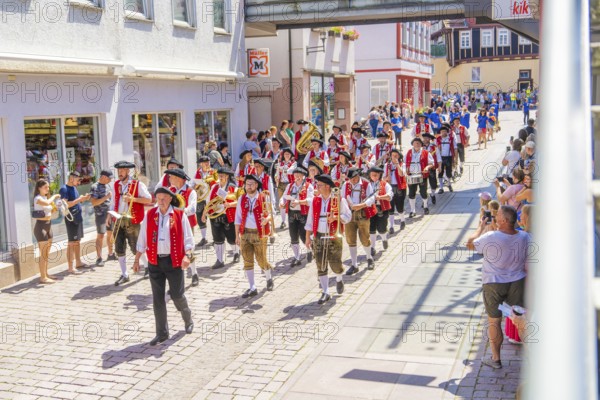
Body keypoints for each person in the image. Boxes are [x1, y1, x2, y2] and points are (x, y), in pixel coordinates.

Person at [466, 206, 530, 369]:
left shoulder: (490, 236)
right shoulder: (525, 236)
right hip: (517, 281)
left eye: (498, 214)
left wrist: (481, 227)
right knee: (521, 320)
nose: (495, 216)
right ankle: (531, 358)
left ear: (503, 220)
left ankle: (495, 359)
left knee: (494, 321)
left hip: (493, 283)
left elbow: (470, 244)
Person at [133, 187, 194, 346]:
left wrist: (187, 256)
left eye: (164, 198)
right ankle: (162, 333)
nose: (160, 201)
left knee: (177, 295)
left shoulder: (180, 215)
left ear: (170, 199)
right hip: (155, 261)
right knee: (157, 299)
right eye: (158, 198)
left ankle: (187, 316)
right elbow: (142, 237)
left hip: (174, 261)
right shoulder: (150, 215)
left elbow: (188, 239)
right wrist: (137, 258)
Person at [304, 174, 352, 304]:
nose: (317, 188)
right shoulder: (315, 200)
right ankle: (325, 292)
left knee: (335, 262)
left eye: (319, 185)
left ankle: (338, 277)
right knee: (320, 264)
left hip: (334, 236)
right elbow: (310, 221)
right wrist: (308, 238)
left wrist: (336, 218)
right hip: (319, 235)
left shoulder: (339, 199)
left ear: (327, 186)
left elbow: (348, 216)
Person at [113, 160, 153, 286]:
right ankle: (124, 274)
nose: (120, 173)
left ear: (128, 171)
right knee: (119, 247)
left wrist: (133, 199)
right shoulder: (116, 185)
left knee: (136, 247)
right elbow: (114, 201)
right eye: (118, 171)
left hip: (132, 219)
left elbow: (149, 199)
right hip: (118, 218)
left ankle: (147, 267)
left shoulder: (137, 184)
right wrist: (110, 215)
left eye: (122, 170)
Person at [235, 174, 275, 298]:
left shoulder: (264, 197)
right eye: (247, 184)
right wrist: (237, 235)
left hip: (260, 233)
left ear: (256, 185)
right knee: (247, 260)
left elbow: (271, 213)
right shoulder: (242, 199)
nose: (249, 186)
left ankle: (268, 277)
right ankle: (252, 287)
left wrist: (266, 219)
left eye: (252, 184)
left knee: (261, 259)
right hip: (245, 233)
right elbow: (238, 218)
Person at [165, 168, 200, 287]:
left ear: (178, 178)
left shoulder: (191, 192)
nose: (169, 179)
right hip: (172, 224)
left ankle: (194, 273)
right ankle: (177, 280)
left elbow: (192, 209)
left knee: (188, 248)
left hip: (187, 223)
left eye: (171, 176)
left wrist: (179, 212)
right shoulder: (170, 190)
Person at [202, 168, 240, 269]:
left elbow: (240, 201)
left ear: (227, 176)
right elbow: (207, 201)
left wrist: (230, 204)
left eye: (222, 175)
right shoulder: (214, 186)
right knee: (217, 239)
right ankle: (220, 260)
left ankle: (236, 252)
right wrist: (204, 214)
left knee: (231, 238)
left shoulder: (233, 187)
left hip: (228, 216)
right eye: (219, 175)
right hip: (215, 216)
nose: (220, 177)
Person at [342, 168, 375, 274]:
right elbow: (342, 198)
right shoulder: (346, 185)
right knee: (350, 240)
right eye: (350, 179)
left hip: (363, 214)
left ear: (357, 177)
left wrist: (361, 205)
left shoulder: (366, 184)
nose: (352, 181)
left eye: (354, 179)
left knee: (365, 238)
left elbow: (372, 198)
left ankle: (369, 258)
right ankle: (354, 264)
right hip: (349, 215)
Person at [280, 166, 314, 267]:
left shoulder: (308, 186)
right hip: (292, 214)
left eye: (299, 175)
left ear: (304, 176)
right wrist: (282, 202)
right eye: (295, 175)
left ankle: (309, 250)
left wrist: (299, 201)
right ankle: (297, 257)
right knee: (293, 236)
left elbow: (311, 200)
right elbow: (284, 197)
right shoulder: (290, 186)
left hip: (303, 214)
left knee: (304, 236)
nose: (297, 177)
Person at [59, 171, 91, 273]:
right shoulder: (64, 189)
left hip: (77, 217)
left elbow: (75, 201)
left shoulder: (74, 188)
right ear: (71, 178)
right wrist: (79, 200)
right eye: (78, 180)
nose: (79, 182)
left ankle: (78, 262)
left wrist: (83, 199)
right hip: (71, 218)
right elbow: (65, 205)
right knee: (71, 243)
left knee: (77, 241)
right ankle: (70, 267)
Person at [32, 179, 61, 283]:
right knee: (43, 254)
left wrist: (57, 206)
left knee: (47, 253)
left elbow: (52, 211)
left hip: (48, 226)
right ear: (39, 188)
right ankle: (42, 277)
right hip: (40, 227)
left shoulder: (45, 197)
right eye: (45, 187)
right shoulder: (38, 198)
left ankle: (46, 274)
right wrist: (54, 196)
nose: (48, 189)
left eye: (48, 187)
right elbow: (47, 202)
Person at [89, 170, 115, 267]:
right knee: (100, 236)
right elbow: (94, 202)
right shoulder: (95, 187)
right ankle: (99, 258)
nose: (110, 180)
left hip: (109, 214)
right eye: (109, 178)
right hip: (100, 215)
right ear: (103, 177)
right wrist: (106, 197)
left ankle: (110, 254)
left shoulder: (107, 185)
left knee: (110, 234)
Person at [366, 167, 393, 257]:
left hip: (382, 208)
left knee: (382, 228)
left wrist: (380, 197)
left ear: (379, 175)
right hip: (370, 209)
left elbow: (390, 195)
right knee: (371, 228)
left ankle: (384, 239)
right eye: (372, 174)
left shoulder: (384, 184)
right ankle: (372, 247)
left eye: (376, 175)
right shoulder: (367, 185)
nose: (374, 176)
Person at [405, 138, 435, 217]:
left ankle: (425, 206)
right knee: (411, 193)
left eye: (418, 143)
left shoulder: (426, 152)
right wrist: (406, 170)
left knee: (423, 192)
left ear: (421, 144)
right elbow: (404, 163)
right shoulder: (408, 152)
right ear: (412, 144)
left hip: (422, 175)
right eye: (415, 143)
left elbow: (431, 163)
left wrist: (427, 168)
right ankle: (412, 210)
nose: (417, 145)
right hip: (411, 175)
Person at [194, 156, 217, 247]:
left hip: (211, 197)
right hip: (201, 197)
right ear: (201, 164)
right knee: (200, 216)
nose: (207, 164)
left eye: (208, 162)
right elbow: (194, 183)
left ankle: (216, 238)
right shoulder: (198, 172)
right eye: (205, 162)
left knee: (213, 218)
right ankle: (204, 238)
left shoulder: (213, 172)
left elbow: (217, 183)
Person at [384, 149, 407, 233]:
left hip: (399, 188)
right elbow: (383, 178)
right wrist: (387, 178)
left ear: (399, 156)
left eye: (396, 155)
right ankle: (391, 226)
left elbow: (401, 174)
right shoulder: (387, 165)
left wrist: (397, 165)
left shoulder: (402, 164)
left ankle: (402, 220)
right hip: (390, 188)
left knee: (400, 207)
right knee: (391, 208)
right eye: (393, 155)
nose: (394, 157)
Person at [274, 147, 296, 229]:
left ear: (291, 155)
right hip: (281, 184)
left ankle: (291, 220)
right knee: (281, 203)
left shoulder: (294, 163)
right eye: (285, 154)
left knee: (290, 203)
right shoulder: (280, 163)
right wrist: (276, 176)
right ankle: (283, 221)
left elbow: (290, 171)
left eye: (288, 154)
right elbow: (276, 173)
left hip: (289, 185)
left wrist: (282, 169)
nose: (287, 155)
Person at [435, 126, 456, 194]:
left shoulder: (451, 138)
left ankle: (449, 184)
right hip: (440, 157)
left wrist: (455, 158)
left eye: (445, 131)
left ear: (447, 132)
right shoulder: (438, 139)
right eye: (442, 131)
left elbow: (455, 148)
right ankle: (441, 188)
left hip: (448, 157)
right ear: (440, 132)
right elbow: (436, 149)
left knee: (448, 172)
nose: (443, 132)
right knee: (440, 173)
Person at [422, 133, 439, 203]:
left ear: (430, 139)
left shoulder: (434, 147)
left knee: (433, 184)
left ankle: (432, 194)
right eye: (424, 138)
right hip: (423, 168)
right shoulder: (420, 146)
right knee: (423, 185)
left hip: (431, 167)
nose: (425, 139)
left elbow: (438, 155)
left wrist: (439, 165)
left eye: (427, 138)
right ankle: (424, 200)